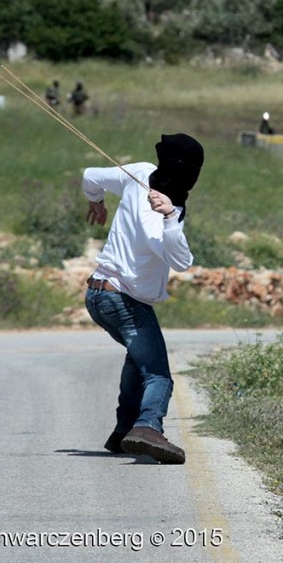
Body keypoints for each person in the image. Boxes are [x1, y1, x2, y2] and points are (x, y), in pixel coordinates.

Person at [82, 133, 204, 465]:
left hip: (96, 294)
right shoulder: (166, 209)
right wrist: (169, 218)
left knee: (139, 360)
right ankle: (148, 426)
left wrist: (95, 200)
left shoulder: (139, 171)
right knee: (159, 374)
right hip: (123, 299)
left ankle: (124, 431)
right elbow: (181, 261)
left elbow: (90, 176)